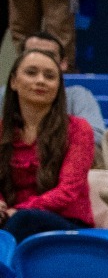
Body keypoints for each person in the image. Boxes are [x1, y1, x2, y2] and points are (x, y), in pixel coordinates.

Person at [0, 45, 92, 238]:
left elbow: (67, 192)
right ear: (14, 82)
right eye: (31, 73)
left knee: (24, 220)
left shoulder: (78, 129)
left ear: (58, 86)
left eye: (50, 76)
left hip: (66, 224)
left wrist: (16, 210)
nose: (40, 81)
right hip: (10, 219)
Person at [11, 30, 102, 142]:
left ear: (63, 64)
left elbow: (95, 139)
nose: (41, 59)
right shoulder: (3, 96)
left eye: (49, 55)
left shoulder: (78, 96)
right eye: (33, 53)